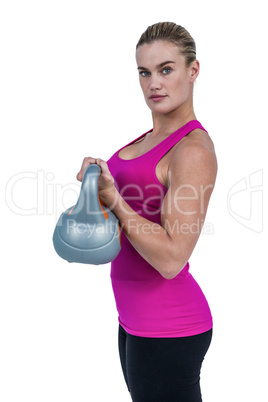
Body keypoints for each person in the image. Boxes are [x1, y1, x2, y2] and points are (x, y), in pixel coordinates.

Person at [77, 22, 217, 402]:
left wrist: (116, 200)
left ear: (193, 70)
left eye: (166, 69)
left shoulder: (192, 150)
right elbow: (131, 221)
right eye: (145, 72)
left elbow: (172, 258)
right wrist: (96, 191)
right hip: (134, 321)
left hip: (169, 327)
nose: (154, 83)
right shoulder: (147, 139)